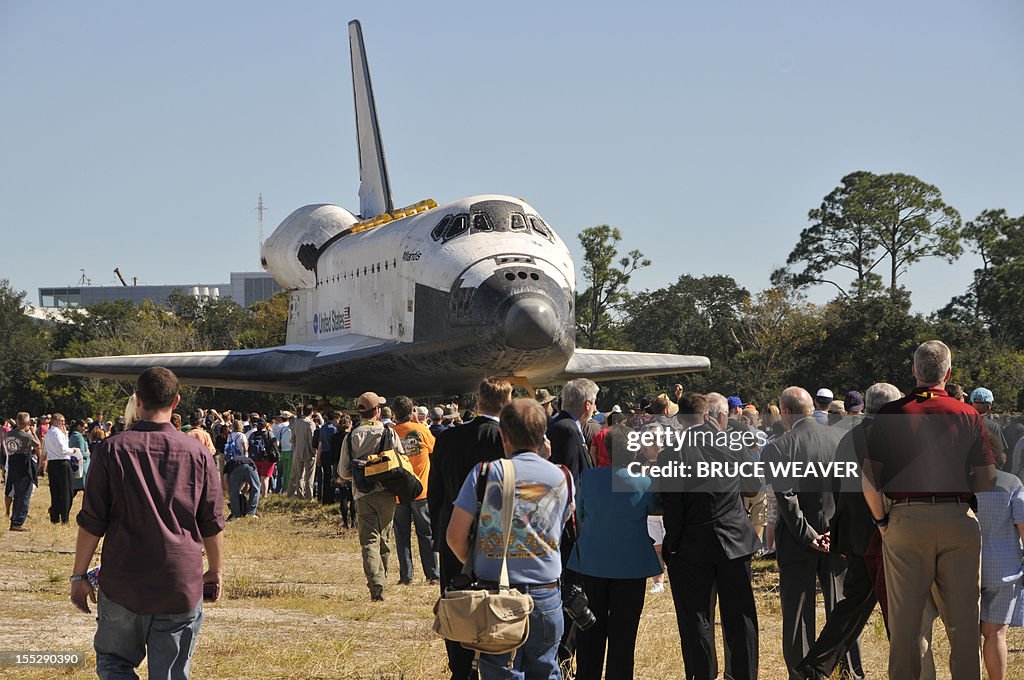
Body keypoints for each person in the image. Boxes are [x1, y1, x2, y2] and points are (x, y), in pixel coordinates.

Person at [71, 367, 224, 679]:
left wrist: (78, 575)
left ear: (137, 400)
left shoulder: (110, 450)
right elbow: (211, 521)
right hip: (179, 582)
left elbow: (92, 522)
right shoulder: (198, 454)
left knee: (114, 662)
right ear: (176, 401)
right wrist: (215, 571)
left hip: (123, 580)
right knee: (170, 673)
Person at [863, 340, 997, 680]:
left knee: (907, 624)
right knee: (964, 622)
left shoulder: (890, 415)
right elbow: (987, 479)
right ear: (948, 373)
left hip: (906, 519)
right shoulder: (967, 414)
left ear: (914, 371)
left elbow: (869, 481)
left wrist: (881, 520)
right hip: (957, 517)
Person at [446, 398, 573, 680]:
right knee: (546, 668)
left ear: (503, 435)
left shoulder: (484, 473)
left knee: (499, 671)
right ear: (543, 436)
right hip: (546, 592)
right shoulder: (563, 477)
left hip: (496, 593)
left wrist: (477, 561)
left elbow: (455, 536)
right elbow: (559, 525)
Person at [795, 382, 902, 680]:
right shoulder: (890, 436)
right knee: (895, 607)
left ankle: (814, 667)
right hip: (881, 533)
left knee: (855, 603)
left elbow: (838, 488)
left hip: (855, 533)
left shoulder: (848, 437)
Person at [761, 387, 861, 679]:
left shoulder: (779, 447)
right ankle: (848, 669)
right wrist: (835, 531)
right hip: (835, 535)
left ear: (786, 411)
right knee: (841, 608)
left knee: (798, 615)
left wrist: (808, 535)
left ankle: (804, 673)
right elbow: (847, 490)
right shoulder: (839, 439)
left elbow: (786, 496)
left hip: (797, 539)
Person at [660, 392, 760, 680]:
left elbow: (673, 508)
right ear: (707, 415)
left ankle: (702, 674)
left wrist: (673, 546)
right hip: (735, 540)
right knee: (740, 617)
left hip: (692, 544)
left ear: (680, 419)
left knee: (696, 619)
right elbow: (753, 485)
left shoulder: (673, 451)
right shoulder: (731, 443)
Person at [428, 377, 512, 680]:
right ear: (507, 403)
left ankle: (460, 667)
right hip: (494, 534)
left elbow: (434, 491)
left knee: (456, 601)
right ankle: (491, 660)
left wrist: (440, 530)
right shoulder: (504, 439)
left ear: (479, 401)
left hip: (452, 530)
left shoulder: (448, 438)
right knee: (497, 600)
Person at [570, 425, 662, 680]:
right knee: (624, 635)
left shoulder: (588, 478)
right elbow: (655, 508)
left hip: (593, 563)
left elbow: (581, 516)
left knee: (590, 630)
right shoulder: (645, 482)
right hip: (631, 566)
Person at [339, 392, 404, 601]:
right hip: (386, 491)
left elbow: (343, 471)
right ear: (377, 410)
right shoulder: (388, 433)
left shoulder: (351, 436)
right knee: (385, 537)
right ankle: (382, 577)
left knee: (369, 541)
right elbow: (401, 460)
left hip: (362, 493)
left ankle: (375, 583)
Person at [975, 432, 1024, 680]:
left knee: (966, 636)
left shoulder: (957, 483)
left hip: (965, 567)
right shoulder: (1011, 483)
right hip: (1003, 569)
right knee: (995, 634)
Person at [391, 396, 439, 585]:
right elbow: (435, 449)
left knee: (401, 534)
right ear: (412, 412)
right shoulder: (421, 431)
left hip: (398, 492)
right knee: (426, 534)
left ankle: (406, 575)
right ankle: (433, 575)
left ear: (394, 414)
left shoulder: (390, 433)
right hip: (421, 491)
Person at [5, 412, 40, 531]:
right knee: (25, 494)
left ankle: (14, 518)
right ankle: (18, 521)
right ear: (28, 423)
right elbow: (37, 445)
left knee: (17, 494)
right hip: (24, 465)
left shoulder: (9, 434)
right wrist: (33, 432)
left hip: (13, 463)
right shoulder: (27, 436)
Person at [42, 413, 79, 524]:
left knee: (55, 491)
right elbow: (63, 449)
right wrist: (73, 450)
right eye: (61, 421)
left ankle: (55, 516)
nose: (63, 423)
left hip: (53, 463)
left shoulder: (49, 433)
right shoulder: (56, 433)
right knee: (66, 491)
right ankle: (64, 517)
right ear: (55, 421)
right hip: (62, 462)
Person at [225, 442, 260, 519]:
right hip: (250, 465)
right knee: (256, 488)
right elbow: (248, 483)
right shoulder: (245, 459)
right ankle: (251, 513)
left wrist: (229, 494)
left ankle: (236, 514)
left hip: (236, 468)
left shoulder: (228, 464)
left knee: (233, 491)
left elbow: (226, 482)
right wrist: (244, 489)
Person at [289, 405, 317, 499]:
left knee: (299, 475)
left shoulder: (296, 422)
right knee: (309, 476)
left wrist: (295, 448)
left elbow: (293, 438)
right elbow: (311, 439)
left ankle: (300, 494)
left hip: (298, 451)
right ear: (311, 412)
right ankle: (309, 496)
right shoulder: (310, 424)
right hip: (308, 452)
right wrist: (314, 452)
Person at [247, 418, 279, 500]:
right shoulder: (269, 434)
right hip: (267, 459)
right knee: (265, 478)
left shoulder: (253, 435)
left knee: (256, 478)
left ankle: (254, 495)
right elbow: (276, 444)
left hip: (255, 459)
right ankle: (264, 496)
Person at [315, 412, 341, 504]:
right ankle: (331, 498)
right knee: (331, 477)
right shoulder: (333, 429)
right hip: (330, 453)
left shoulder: (322, 428)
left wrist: (318, 456)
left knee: (325, 477)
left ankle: (324, 498)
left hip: (323, 454)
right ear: (333, 419)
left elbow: (320, 443)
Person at [69, 419, 91, 500]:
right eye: (84, 427)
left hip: (76, 466)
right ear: (79, 427)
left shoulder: (72, 436)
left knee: (72, 492)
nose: (86, 429)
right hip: (83, 467)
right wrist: (88, 453)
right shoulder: (79, 437)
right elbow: (81, 452)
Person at [277, 412, 294, 493]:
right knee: (289, 472)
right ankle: (287, 489)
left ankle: (283, 488)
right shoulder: (291, 430)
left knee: (284, 472)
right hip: (290, 451)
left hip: (283, 451)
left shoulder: (282, 429)